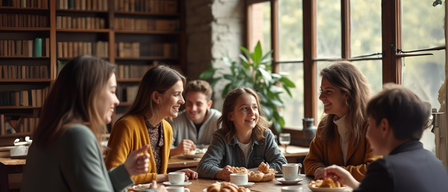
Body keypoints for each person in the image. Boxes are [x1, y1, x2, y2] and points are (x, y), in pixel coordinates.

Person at [20, 55, 166, 192]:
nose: (117, 101)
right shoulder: (77, 135)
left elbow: (88, 186)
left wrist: (125, 172)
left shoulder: (51, 131)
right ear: (91, 93)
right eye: (112, 91)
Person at [323, 83, 448, 192]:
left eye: (370, 124)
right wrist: (348, 180)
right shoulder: (436, 163)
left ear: (384, 126)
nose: (367, 134)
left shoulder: (385, 169)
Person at [105, 65, 198, 184]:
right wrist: (166, 177)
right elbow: (111, 176)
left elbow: (157, 175)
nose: (182, 101)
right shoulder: (126, 126)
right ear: (156, 97)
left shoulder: (167, 128)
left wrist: (174, 175)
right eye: (176, 94)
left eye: (181, 94)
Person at [303, 61, 379, 181]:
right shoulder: (324, 125)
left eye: (328, 91)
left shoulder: (373, 125)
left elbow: (374, 170)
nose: (321, 97)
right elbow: (310, 161)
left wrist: (333, 172)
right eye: (321, 90)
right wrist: (319, 170)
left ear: (347, 94)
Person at [197, 87, 287, 181]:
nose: (252, 112)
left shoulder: (266, 135)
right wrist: (221, 173)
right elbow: (203, 166)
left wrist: (249, 172)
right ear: (231, 115)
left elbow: (282, 164)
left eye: (254, 107)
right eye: (245, 108)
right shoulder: (221, 137)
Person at [170, 80, 222, 156]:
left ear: (209, 104)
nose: (193, 109)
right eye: (189, 103)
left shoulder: (218, 120)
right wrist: (176, 150)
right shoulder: (175, 119)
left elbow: (225, 149)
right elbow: (163, 152)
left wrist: (197, 147)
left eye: (199, 104)